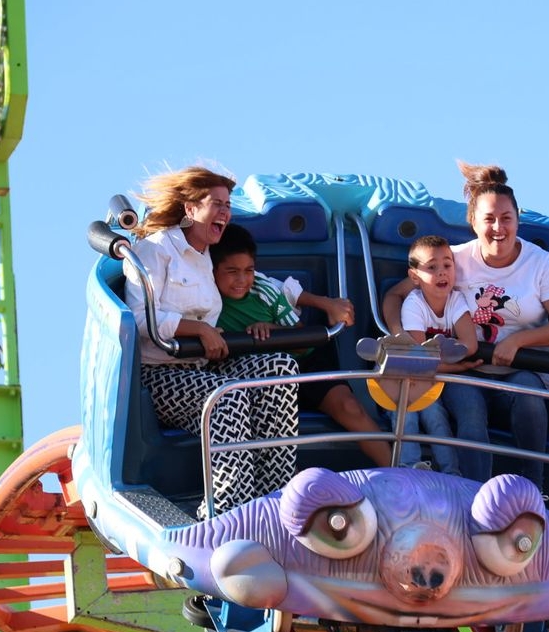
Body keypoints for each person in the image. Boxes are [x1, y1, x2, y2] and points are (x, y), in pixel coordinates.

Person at [381, 161, 549, 489]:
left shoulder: (541, 264)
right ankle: (473, 495)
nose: (498, 228)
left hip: (519, 369)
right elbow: (395, 295)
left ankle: (534, 489)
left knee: (528, 399)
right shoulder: (453, 260)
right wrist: (401, 338)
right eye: (489, 219)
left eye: (506, 218)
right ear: (473, 222)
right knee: (471, 416)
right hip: (467, 368)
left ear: (518, 220)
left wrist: (518, 341)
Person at [124, 165, 299, 519]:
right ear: (191, 209)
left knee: (281, 369)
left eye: (228, 205)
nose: (225, 212)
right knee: (227, 399)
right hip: (161, 374)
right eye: (216, 204)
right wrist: (198, 329)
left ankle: (274, 500)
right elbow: (138, 319)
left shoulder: (208, 255)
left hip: (204, 367)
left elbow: (259, 283)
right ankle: (226, 511)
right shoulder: (156, 250)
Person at [211, 223, 394, 468]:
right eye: (232, 271)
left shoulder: (264, 290)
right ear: (212, 270)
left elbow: (299, 340)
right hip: (262, 379)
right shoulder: (205, 301)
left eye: (249, 270)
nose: (242, 280)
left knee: (350, 408)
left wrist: (272, 330)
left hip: (304, 362)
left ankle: (398, 472)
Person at [395, 234, 479, 476]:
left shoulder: (456, 300)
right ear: (415, 277)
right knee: (407, 413)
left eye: (447, 265)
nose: (442, 272)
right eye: (432, 267)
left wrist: (434, 359)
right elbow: (418, 360)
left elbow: (470, 345)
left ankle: (451, 473)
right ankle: (408, 468)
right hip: (402, 379)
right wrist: (457, 366)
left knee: (435, 416)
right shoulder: (414, 304)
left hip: (429, 379)